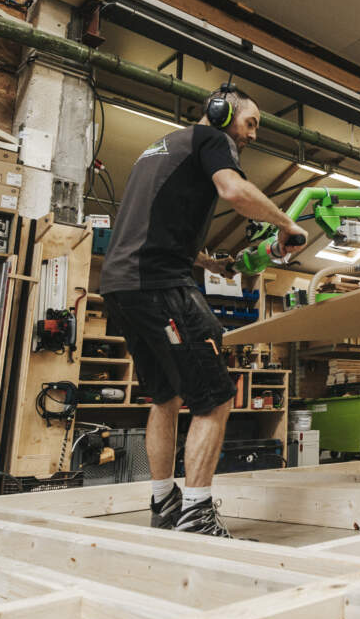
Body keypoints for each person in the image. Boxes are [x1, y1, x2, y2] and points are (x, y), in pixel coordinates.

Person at [99, 84, 307, 535]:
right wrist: (287, 223)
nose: (251, 135)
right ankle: (196, 515)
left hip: (121, 287)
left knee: (164, 396)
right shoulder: (212, 140)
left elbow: (150, 223)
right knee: (214, 397)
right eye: (250, 123)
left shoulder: (157, 149)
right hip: (160, 285)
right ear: (220, 111)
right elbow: (233, 190)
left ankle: (165, 503)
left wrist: (208, 262)